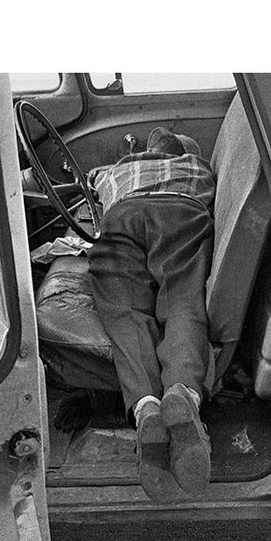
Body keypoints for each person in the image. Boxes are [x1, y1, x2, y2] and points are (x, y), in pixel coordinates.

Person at [85, 127, 216, 503]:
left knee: (123, 311)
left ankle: (146, 407)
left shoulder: (120, 168)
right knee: (182, 303)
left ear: (149, 150)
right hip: (181, 210)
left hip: (123, 214)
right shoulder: (197, 166)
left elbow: (93, 184)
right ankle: (184, 393)